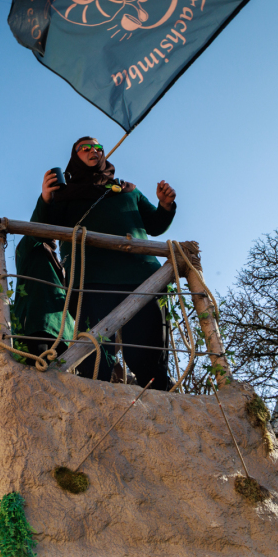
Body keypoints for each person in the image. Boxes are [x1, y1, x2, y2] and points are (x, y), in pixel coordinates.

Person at [35, 136, 177, 390]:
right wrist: (46, 197)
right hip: (91, 281)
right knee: (94, 358)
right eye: (85, 148)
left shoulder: (126, 190)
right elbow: (42, 230)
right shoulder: (64, 196)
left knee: (147, 357)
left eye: (98, 147)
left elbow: (155, 225)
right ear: (74, 156)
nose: (94, 151)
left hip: (142, 278)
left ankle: (161, 412)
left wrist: (165, 205)